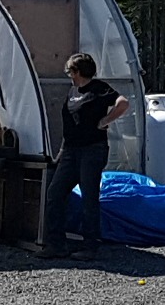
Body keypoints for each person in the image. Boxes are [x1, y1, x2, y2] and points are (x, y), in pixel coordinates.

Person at [38, 52, 130, 258]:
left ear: (77, 71)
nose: (68, 75)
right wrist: (61, 152)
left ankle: (90, 246)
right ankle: (56, 244)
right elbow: (69, 125)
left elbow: (123, 103)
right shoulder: (72, 91)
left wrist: (104, 121)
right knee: (55, 194)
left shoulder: (98, 88)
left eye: (69, 70)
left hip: (92, 149)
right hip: (71, 150)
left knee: (89, 197)